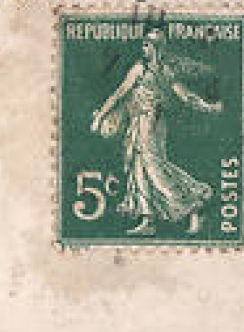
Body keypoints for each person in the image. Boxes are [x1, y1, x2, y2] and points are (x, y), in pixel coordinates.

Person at [89, 27, 224, 236]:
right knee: (139, 168)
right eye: (144, 44)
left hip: (153, 123)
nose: (144, 48)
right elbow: (118, 95)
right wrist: (101, 116)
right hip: (139, 121)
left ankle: (193, 205)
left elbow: (185, 96)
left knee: (154, 168)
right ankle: (148, 219)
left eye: (148, 44)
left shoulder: (162, 71)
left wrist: (207, 107)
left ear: (157, 48)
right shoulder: (140, 69)